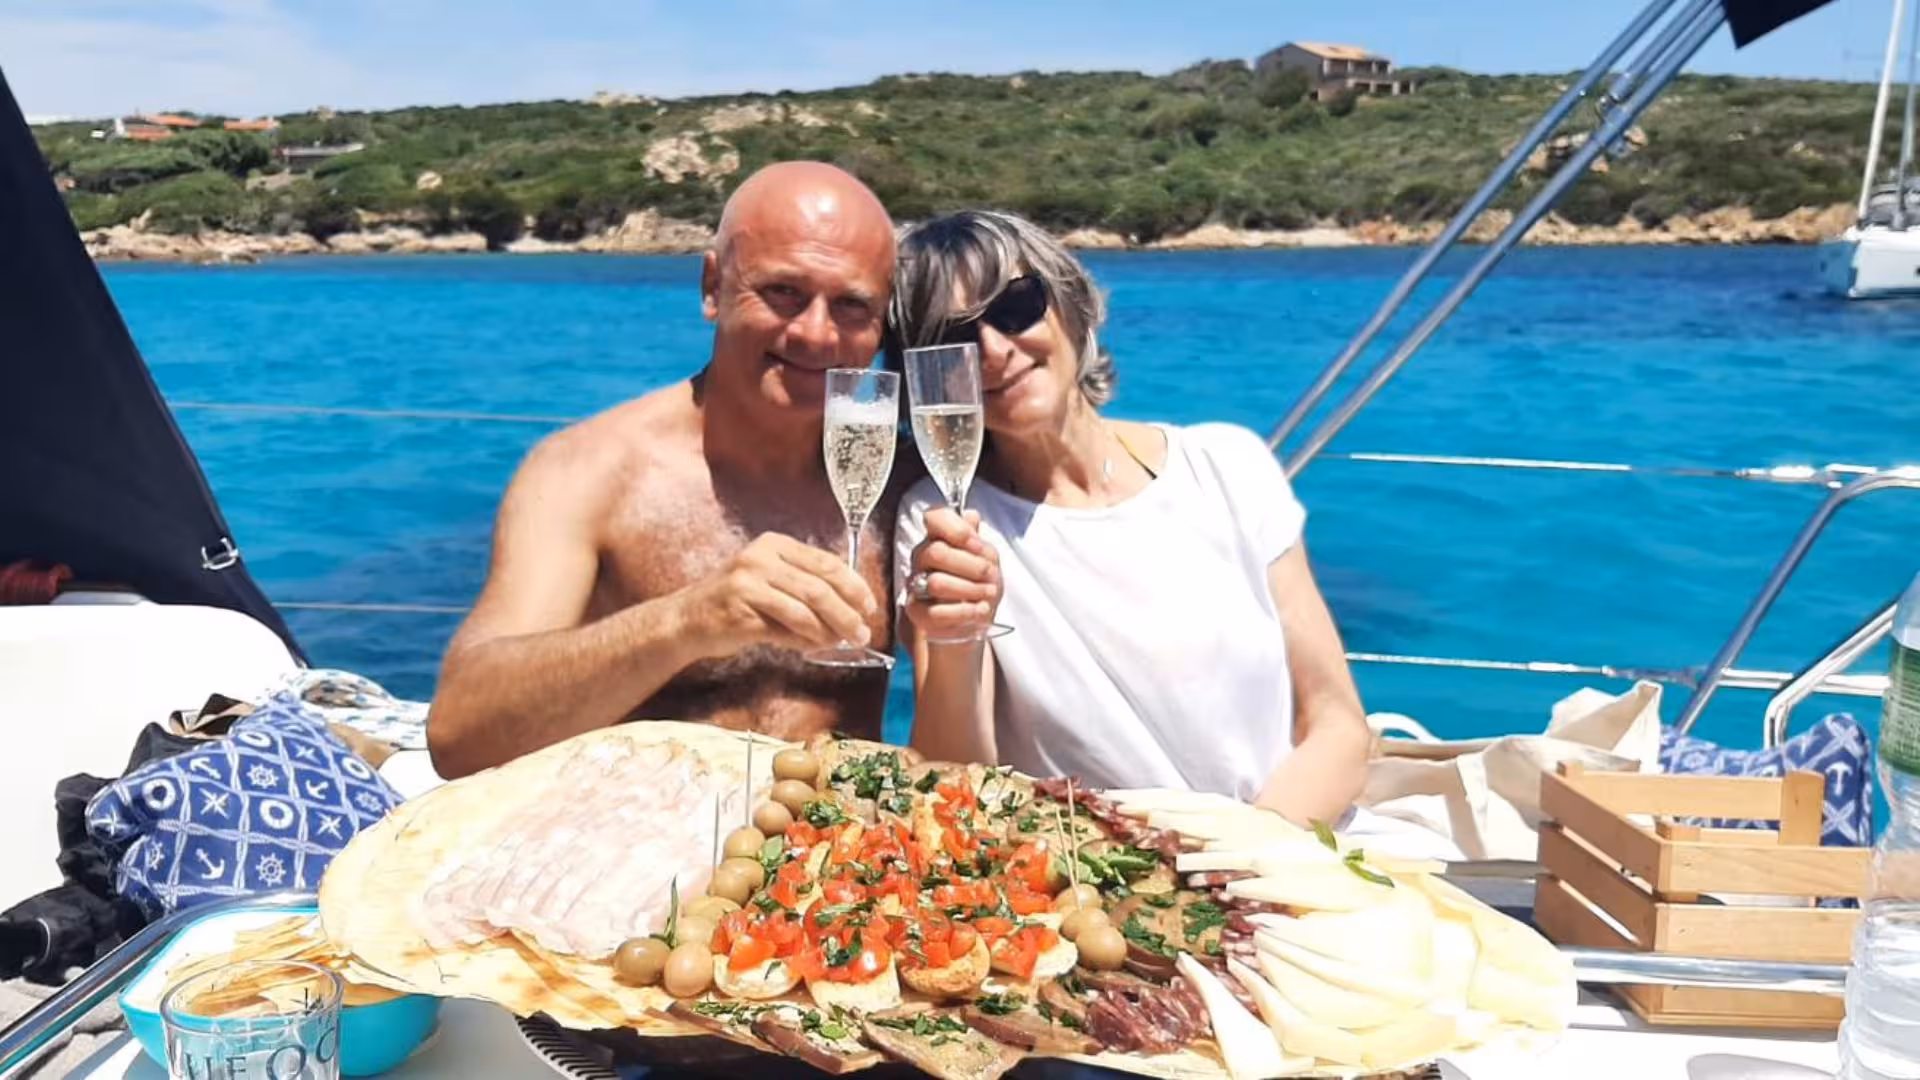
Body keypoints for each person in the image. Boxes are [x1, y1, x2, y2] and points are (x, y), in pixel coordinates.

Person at [889, 209, 1373, 827]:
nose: (991, 349)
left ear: (1071, 305)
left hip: (1291, 846)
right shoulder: (944, 524)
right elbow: (958, 784)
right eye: (950, 340)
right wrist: (956, 641)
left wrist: (1246, 857)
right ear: (925, 377)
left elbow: (1337, 725)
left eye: (1014, 308)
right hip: (1113, 889)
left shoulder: (1227, 466)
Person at [427, 161, 904, 780]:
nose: (816, 333)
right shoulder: (590, 473)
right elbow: (458, 735)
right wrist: (687, 621)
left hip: (825, 858)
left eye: (852, 305)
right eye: (784, 292)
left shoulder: (897, 481)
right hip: (626, 845)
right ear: (713, 287)